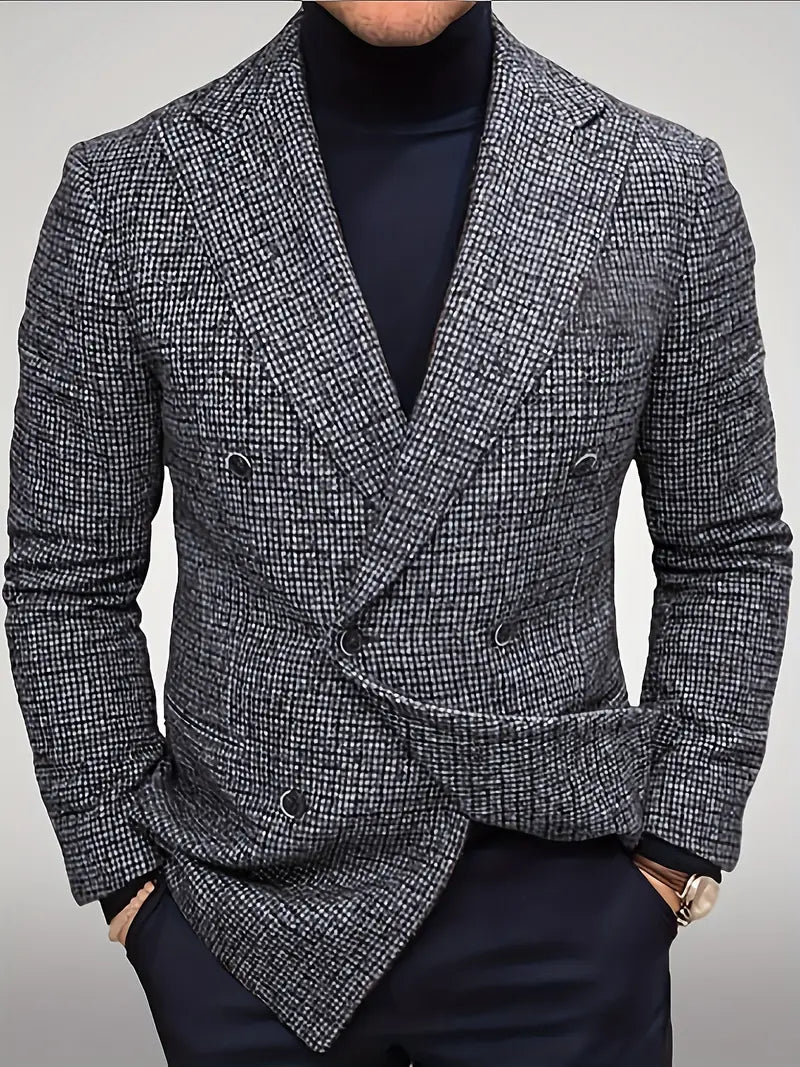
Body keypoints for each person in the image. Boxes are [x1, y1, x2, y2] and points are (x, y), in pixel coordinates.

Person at [4, 2, 792, 1064]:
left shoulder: (664, 186)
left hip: (565, 905)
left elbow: (726, 546)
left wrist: (674, 849)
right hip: (243, 917)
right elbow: (66, 575)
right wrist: (129, 884)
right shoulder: (127, 193)